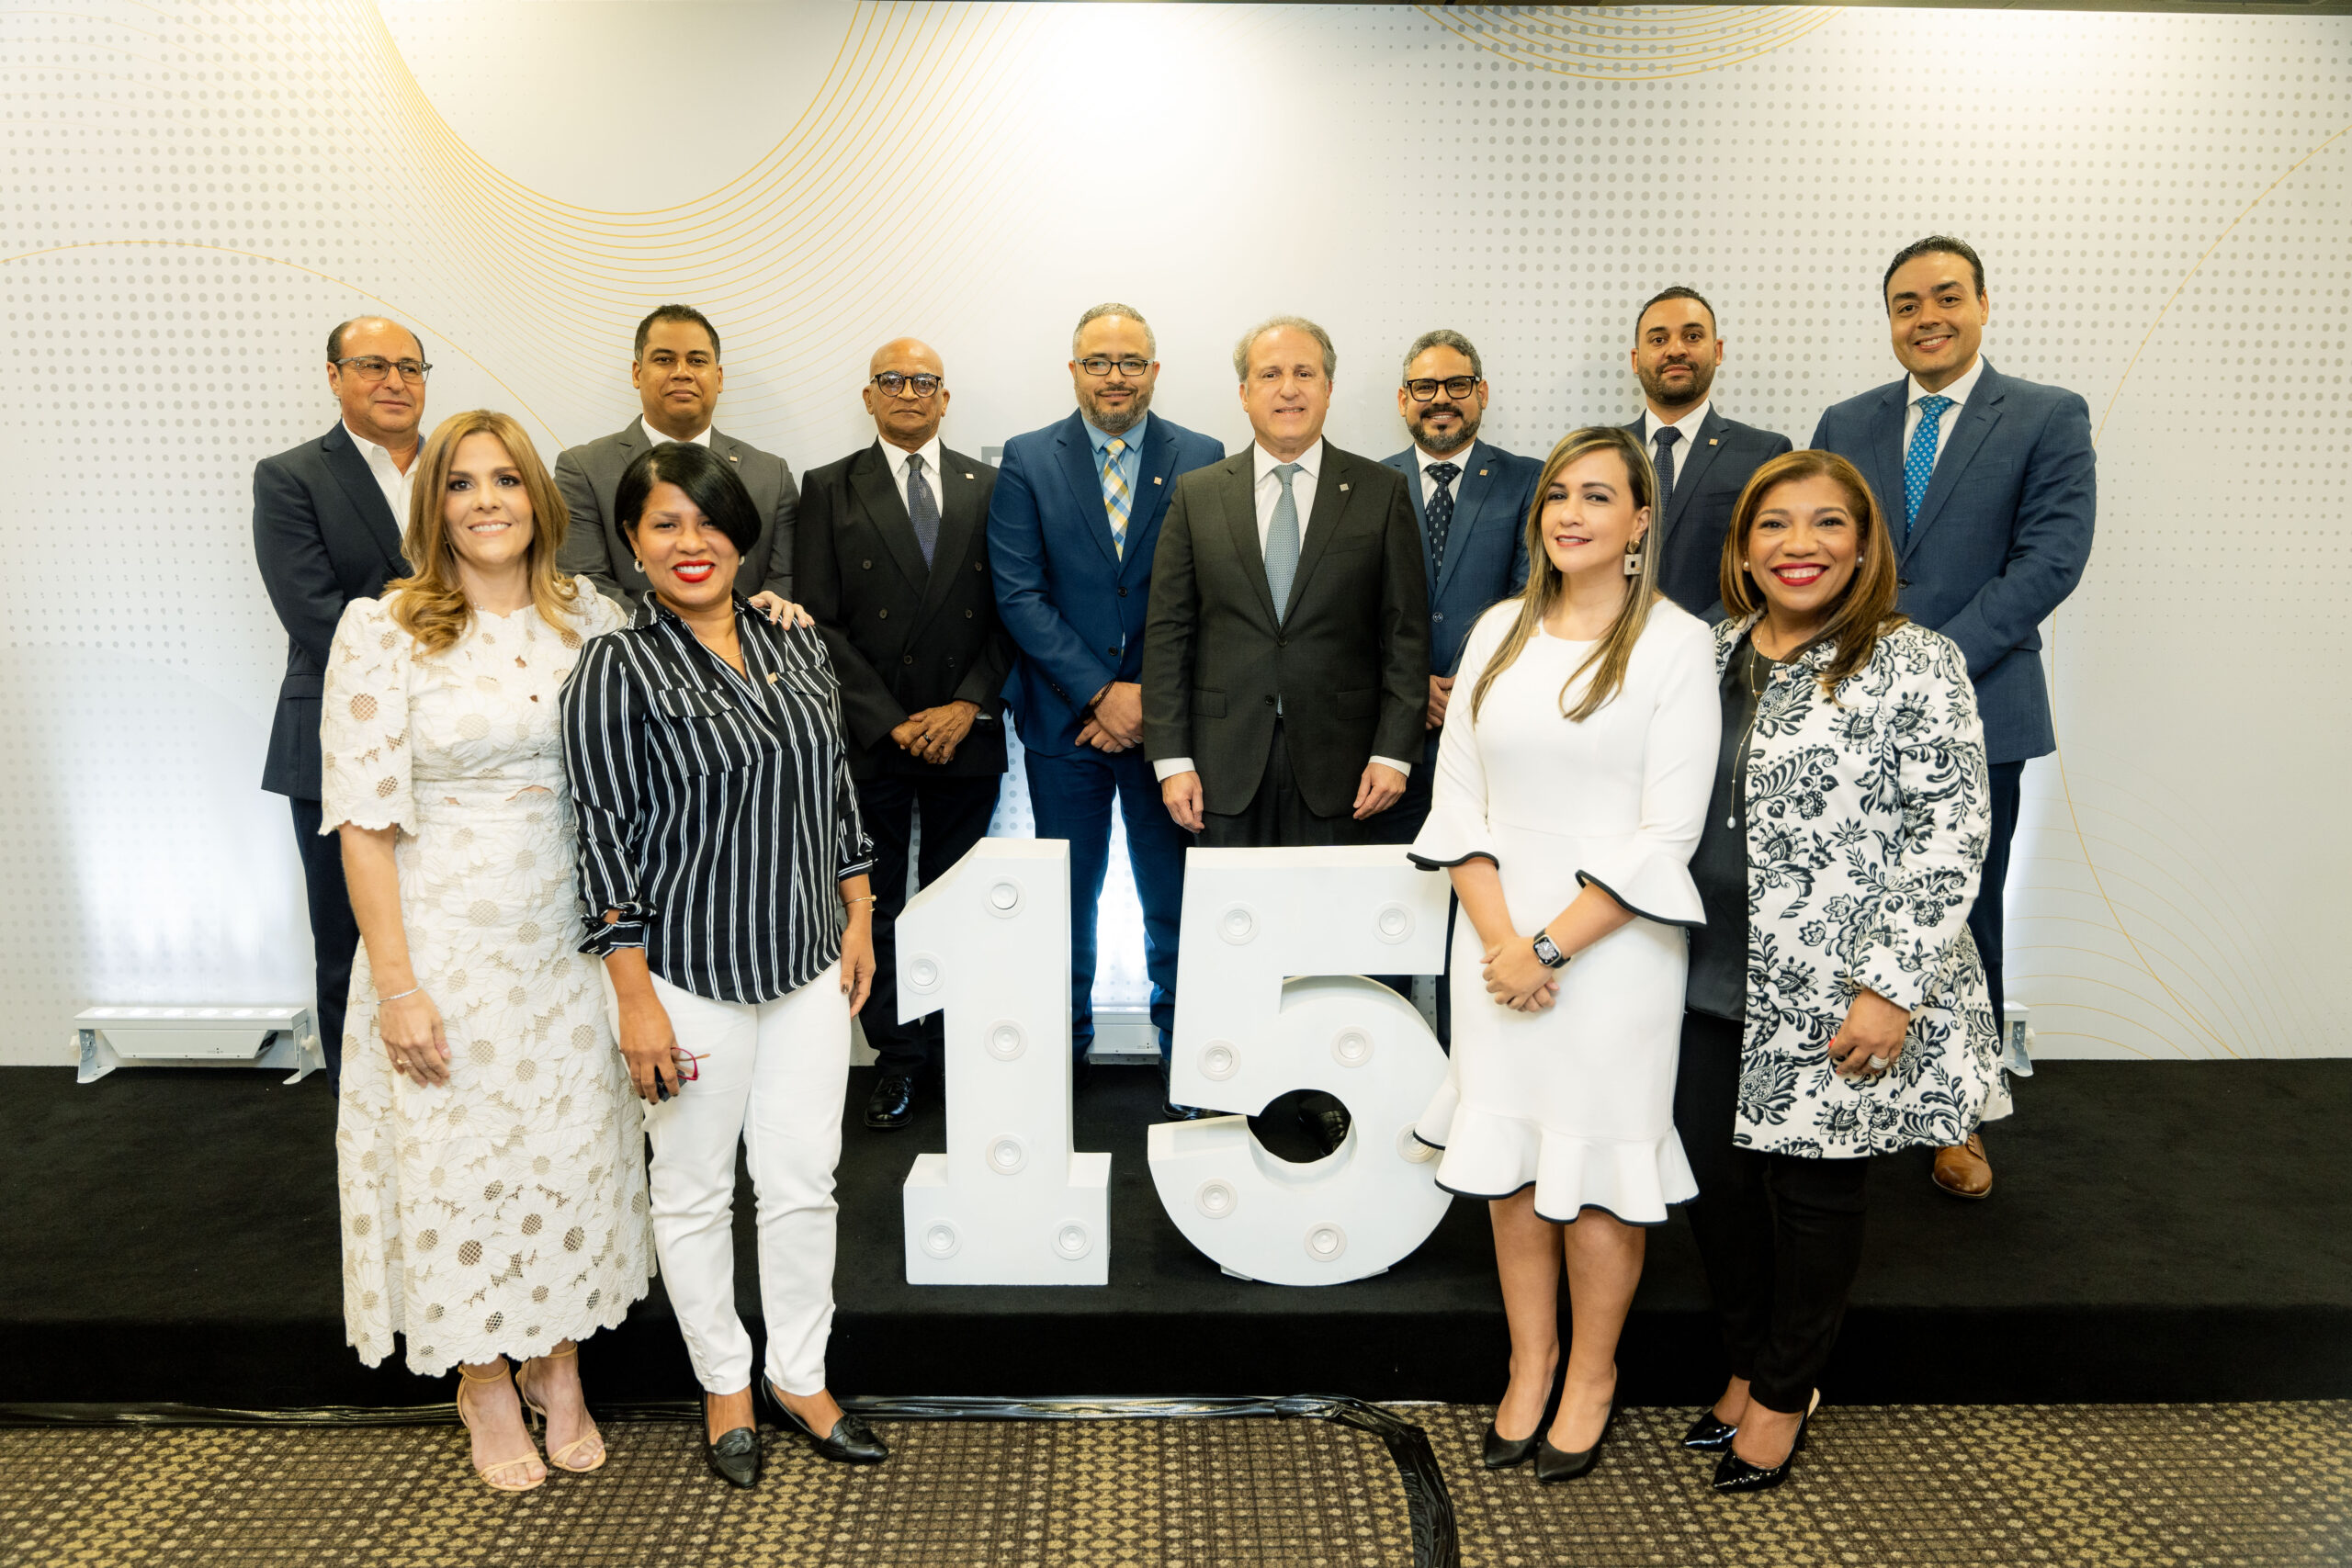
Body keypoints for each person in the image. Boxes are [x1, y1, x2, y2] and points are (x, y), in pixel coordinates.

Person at [322, 409, 652, 1491]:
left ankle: (557, 1364)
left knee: (565, 1154)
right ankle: (481, 1377)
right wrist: (399, 987)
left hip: (570, 944)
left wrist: (771, 612)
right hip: (445, 945)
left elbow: (652, 752)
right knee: (459, 1165)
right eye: (461, 483)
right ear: (435, 506)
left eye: (506, 480)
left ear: (537, 498)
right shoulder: (384, 630)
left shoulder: (591, 618)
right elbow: (363, 825)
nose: (486, 501)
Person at [563, 441, 888, 1487]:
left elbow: (834, 792)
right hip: (684, 973)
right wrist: (634, 999)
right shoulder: (615, 669)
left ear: (742, 536)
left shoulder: (796, 643)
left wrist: (859, 913)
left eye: (708, 522)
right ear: (631, 544)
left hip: (805, 963)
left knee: (802, 1184)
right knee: (695, 1191)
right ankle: (725, 1384)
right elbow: (602, 839)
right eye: (664, 524)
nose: (690, 542)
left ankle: (800, 1375)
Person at [1675, 449, 2000, 1494]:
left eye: (1826, 523)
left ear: (1863, 546)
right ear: (1742, 548)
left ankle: (1783, 1392)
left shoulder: (1915, 660)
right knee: (1715, 1184)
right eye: (1773, 524)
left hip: (1837, 978)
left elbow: (1950, 832)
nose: (1798, 544)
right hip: (1703, 965)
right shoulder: (1709, 650)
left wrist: (1889, 986)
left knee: (1813, 1190)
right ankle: (1745, 1361)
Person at [1408, 425, 1717, 1484]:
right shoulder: (1498, 629)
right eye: (1556, 496)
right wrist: (1504, 944)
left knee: (1595, 1172)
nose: (1570, 514)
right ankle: (1529, 1362)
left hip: (1614, 954)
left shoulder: (1675, 644)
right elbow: (1458, 805)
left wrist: (1547, 947)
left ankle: (1591, 1375)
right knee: (1508, 1166)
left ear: (1639, 521)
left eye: (1597, 496)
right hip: (1495, 945)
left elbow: (1666, 836)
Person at [1811, 236, 2095, 1199]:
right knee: (1853, 906)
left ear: (1981, 304)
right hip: (1850, 711)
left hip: (1979, 708)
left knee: (1963, 915)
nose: (1925, 317)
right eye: (1905, 304)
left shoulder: (2047, 415)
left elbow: (2049, 561)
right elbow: (1818, 551)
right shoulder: (1845, 421)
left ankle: (1959, 1116)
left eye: (1944, 297)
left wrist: (1927, 667)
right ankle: (1847, 1092)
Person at [1142, 314, 1428, 1153]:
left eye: (1305, 373)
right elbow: (1170, 632)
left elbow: (1404, 634)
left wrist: (1394, 749)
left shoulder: (1379, 491)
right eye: (1270, 374)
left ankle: (1331, 1096)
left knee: (1332, 941)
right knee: (1230, 941)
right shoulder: (1199, 493)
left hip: (1343, 767)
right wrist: (1171, 756)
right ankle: (1227, 1094)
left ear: (1329, 388)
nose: (1288, 389)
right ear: (1243, 392)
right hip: (1220, 766)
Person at [989, 304, 1224, 1115]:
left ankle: (1189, 1060)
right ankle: (1064, 1052)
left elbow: (1207, 594)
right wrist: (1100, 692)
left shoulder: (1202, 456)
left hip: (1168, 731)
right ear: (1074, 370)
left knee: (1175, 902)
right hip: (1066, 726)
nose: (1114, 377)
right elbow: (1019, 593)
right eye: (1098, 362)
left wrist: (1148, 699)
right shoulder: (1028, 458)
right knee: (1064, 904)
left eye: (1129, 362)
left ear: (1154, 371)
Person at [797, 338, 1010, 1133]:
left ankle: (960, 1048)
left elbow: (1014, 606)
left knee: (961, 901)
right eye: (892, 379)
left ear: (945, 397)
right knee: (877, 899)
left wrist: (968, 703)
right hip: (872, 734)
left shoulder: (991, 487)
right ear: (869, 395)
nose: (909, 391)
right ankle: (899, 1056)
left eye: (925, 381)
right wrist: (889, 720)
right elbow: (818, 619)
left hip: (966, 730)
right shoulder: (827, 487)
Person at [254, 318, 427, 1091]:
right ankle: (357, 1114)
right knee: (348, 947)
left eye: (410, 367)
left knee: (441, 938)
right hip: (337, 739)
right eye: (373, 365)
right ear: (334, 375)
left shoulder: (460, 470)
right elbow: (315, 614)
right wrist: (439, 683)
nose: (394, 381)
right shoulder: (291, 477)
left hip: (457, 746)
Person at [1376, 329, 1542, 1043]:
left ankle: (1468, 1070)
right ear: (1402, 399)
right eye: (1424, 386)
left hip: (1491, 738)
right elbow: (1346, 610)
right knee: (1383, 919)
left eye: (1456, 384)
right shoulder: (1367, 482)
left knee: (1478, 925)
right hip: (1387, 742)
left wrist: (1466, 686)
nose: (1440, 399)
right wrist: (1411, 684)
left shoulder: (1531, 480)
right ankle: (1380, 1064)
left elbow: (1535, 597)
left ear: (1481, 393)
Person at [555, 304, 800, 614]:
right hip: (632, 642)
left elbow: (785, 579)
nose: (682, 372)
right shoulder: (583, 470)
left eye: (697, 361)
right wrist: (670, 638)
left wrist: (738, 630)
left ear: (719, 378)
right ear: (637, 373)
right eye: (664, 359)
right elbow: (585, 582)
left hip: (747, 642)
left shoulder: (771, 474)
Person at [1621, 287, 1793, 618]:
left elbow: (1768, 567)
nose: (1675, 350)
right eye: (1658, 340)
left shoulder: (1763, 453)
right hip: (1609, 639)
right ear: (1635, 360)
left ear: (1717, 351)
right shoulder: (1605, 453)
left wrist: (1698, 636)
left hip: (1717, 640)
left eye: (1692, 336)